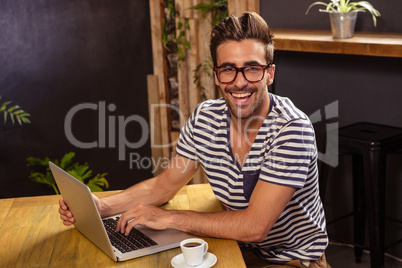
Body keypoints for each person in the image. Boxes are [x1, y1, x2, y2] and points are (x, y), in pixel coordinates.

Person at [59, 12, 329, 267]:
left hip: (289, 260)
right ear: (216, 76)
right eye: (228, 69)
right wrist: (103, 207)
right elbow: (165, 186)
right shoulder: (205, 118)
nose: (239, 81)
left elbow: (255, 227)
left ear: (269, 73)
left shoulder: (292, 129)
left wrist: (166, 218)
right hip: (234, 247)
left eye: (252, 68)